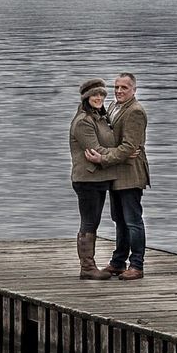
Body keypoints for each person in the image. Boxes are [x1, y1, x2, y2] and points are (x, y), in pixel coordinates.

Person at [85, 72, 150, 280]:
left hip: (130, 172)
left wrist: (102, 159)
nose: (119, 91)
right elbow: (114, 141)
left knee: (132, 220)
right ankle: (118, 262)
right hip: (115, 174)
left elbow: (129, 147)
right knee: (119, 220)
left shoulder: (135, 111)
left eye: (124, 88)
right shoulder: (112, 106)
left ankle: (137, 265)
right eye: (117, 87)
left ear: (134, 90)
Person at [68, 78, 116, 280]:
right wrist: (121, 153)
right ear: (86, 98)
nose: (98, 98)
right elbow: (95, 150)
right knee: (89, 222)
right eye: (94, 95)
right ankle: (87, 267)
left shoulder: (99, 117)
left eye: (102, 95)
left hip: (99, 178)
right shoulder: (83, 122)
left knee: (93, 221)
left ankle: (89, 265)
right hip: (87, 179)